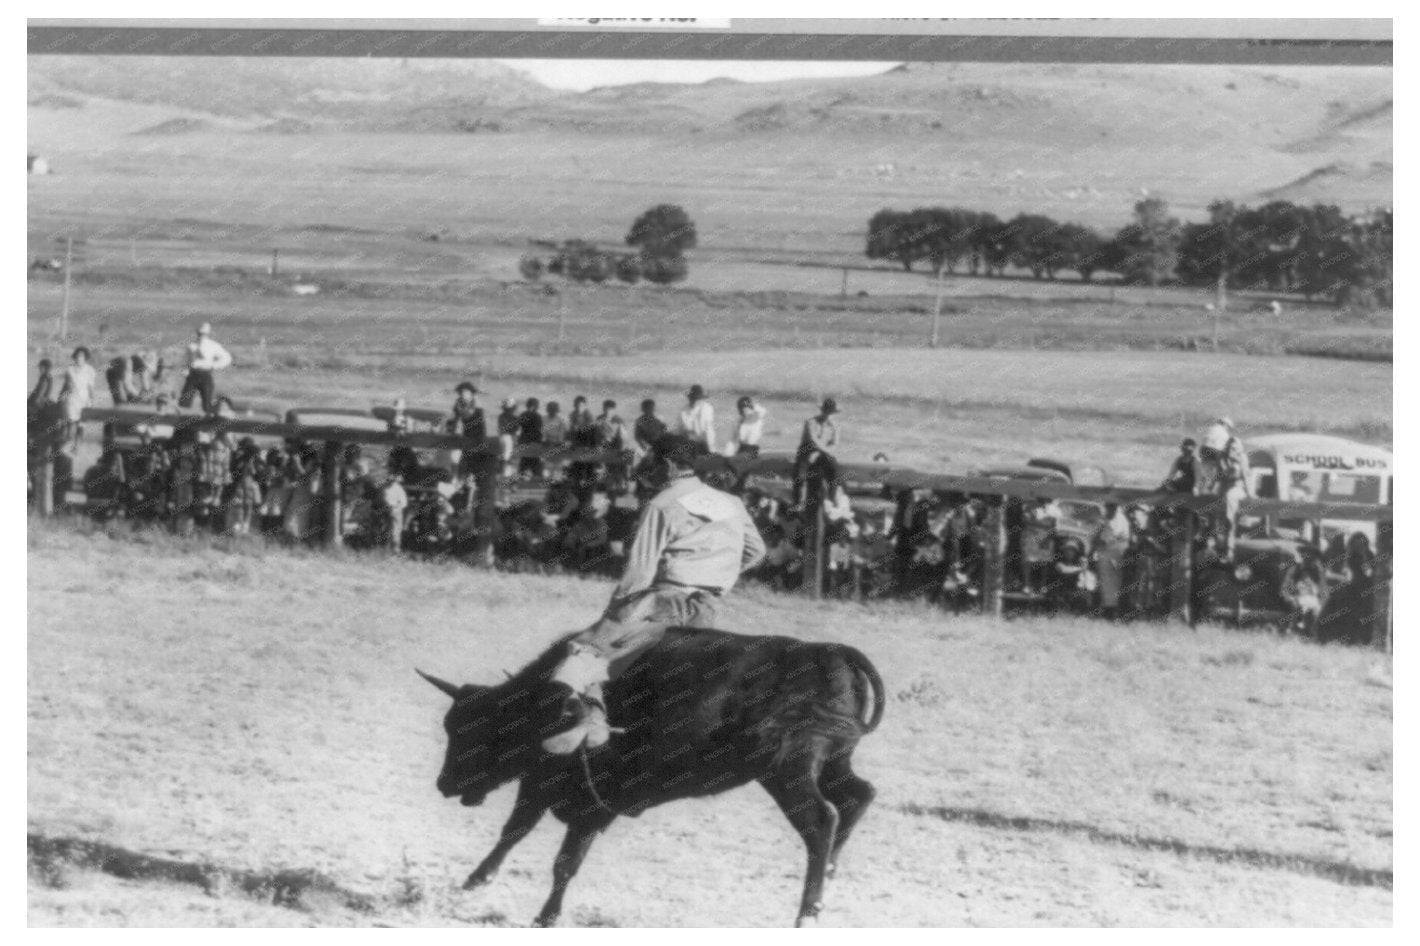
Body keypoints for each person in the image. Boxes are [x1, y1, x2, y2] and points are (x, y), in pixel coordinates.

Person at [541, 434, 766, 754]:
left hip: (664, 601)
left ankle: (591, 717)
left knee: (585, 647)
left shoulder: (661, 505)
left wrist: (615, 612)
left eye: (652, 460)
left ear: (669, 465)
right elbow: (756, 551)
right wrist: (718, 573)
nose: (647, 466)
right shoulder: (732, 503)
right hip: (711, 608)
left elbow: (639, 573)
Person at [1198, 417, 1251, 559]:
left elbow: (1242, 475)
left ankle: (1215, 538)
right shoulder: (1223, 436)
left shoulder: (1211, 430)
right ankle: (1215, 538)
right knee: (1219, 504)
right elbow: (1224, 474)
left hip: (1211, 461)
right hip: (1221, 473)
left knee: (1220, 502)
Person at [793, 397, 840, 509]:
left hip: (824, 452)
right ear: (822, 411)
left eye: (830, 413)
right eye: (827, 412)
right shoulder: (811, 422)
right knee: (800, 473)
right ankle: (798, 501)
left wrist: (820, 453)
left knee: (834, 467)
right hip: (807, 449)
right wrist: (818, 452)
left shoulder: (835, 426)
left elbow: (835, 444)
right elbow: (813, 440)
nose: (828, 415)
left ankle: (832, 497)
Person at [179, 323, 232, 414]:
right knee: (184, 402)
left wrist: (214, 365)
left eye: (203, 334)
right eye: (199, 333)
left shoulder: (213, 346)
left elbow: (227, 358)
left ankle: (215, 419)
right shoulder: (191, 346)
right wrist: (185, 369)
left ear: (207, 334)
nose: (201, 336)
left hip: (205, 375)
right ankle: (183, 424)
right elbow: (186, 360)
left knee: (207, 404)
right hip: (193, 375)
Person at [1091, 504, 1132, 620]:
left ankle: (1113, 612)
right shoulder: (1103, 518)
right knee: (1103, 582)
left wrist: (1111, 542)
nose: (1109, 509)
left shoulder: (1122, 520)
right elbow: (1094, 536)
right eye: (1108, 506)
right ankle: (1104, 610)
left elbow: (1124, 538)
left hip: (1116, 554)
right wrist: (1097, 543)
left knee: (1115, 583)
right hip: (1103, 555)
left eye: (1111, 506)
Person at [677, 384, 716, 453]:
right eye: (693, 398)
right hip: (687, 444)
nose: (694, 400)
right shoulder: (683, 411)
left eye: (697, 398)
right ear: (689, 398)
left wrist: (710, 450)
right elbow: (680, 430)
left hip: (703, 444)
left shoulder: (706, 408)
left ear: (701, 399)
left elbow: (708, 431)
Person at [518, 397, 545, 477]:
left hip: (524, 442)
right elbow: (538, 431)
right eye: (537, 405)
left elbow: (520, 427)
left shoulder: (523, 414)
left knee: (524, 463)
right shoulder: (537, 416)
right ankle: (537, 482)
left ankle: (521, 481)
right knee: (536, 464)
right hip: (534, 443)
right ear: (535, 406)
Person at [496, 398, 520, 479]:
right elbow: (514, 429)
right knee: (507, 457)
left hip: (504, 437)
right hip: (508, 438)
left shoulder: (501, 416)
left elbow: (503, 428)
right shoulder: (513, 417)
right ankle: (504, 474)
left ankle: (504, 473)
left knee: (505, 457)